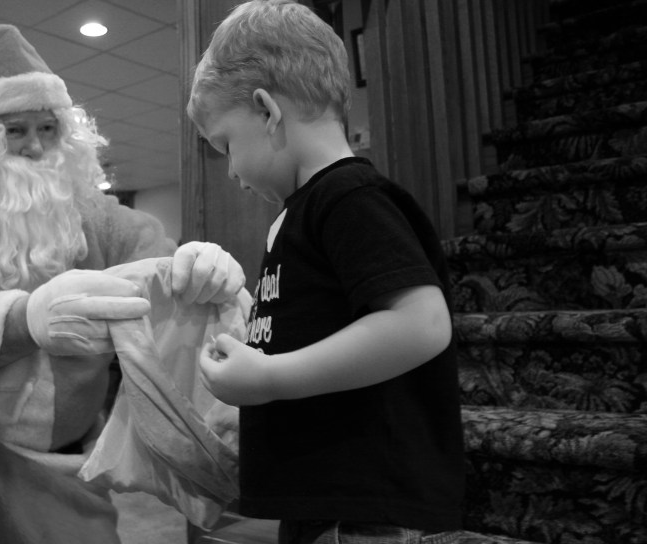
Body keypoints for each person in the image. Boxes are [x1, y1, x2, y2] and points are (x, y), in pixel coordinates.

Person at [0, 24, 245, 543]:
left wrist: (197, 267)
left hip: (60, 467)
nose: (35, 147)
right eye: (14, 130)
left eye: (48, 129)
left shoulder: (94, 218)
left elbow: (159, 264)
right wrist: (22, 322)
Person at [189, 1, 466, 543]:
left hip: (362, 509)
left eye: (225, 145)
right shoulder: (303, 210)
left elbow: (421, 323)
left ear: (267, 112)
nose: (232, 172)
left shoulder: (347, 198)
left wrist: (269, 378)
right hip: (326, 499)